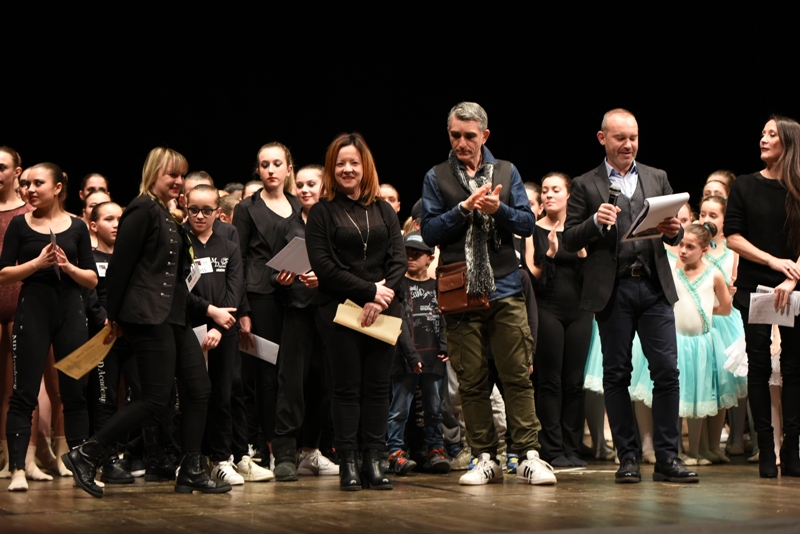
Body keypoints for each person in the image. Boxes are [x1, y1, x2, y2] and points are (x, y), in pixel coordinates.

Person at [62, 147, 232, 497]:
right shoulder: (142, 209)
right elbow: (120, 266)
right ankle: (86, 453)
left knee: (199, 389)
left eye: (182, 175)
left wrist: (203, 310)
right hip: (148, 315)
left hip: (173, 316)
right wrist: (114, 315)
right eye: (172, 174)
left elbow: (177, 279)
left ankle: (192, 468)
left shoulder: (167, 214)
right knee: (155, 398)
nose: (179, 181)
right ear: (154, 173)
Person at [420, 102, 556, 486]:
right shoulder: (436, 176)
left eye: (469, 136)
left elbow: (527, 223)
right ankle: (485, 457)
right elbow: (429, 232)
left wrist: (500, 210)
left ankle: (528, 455)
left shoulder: (507, 171)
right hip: (460, 291)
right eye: (455, 135)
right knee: (472, 380)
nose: (462, 143)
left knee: (517, 375)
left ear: (485, 135)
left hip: (505, 286)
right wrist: (462, 209)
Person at [562, 108, 697, 483]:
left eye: (633, 137)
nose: (628, 145)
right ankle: (628, 458)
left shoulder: (657, 176)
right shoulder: (585, 184)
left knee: (666, 372)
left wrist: (673, 231)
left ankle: (667, 458)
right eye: (620, 138)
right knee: (617, 374)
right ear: (602, 138)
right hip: (614, 290)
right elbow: (569, 238)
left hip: (653, 287)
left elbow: (675, 236)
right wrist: (594, 222)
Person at [306, 133, 406, 491]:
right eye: (340, 163)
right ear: (332, 169)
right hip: (339, 311)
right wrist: (369, 291)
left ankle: (374, 461)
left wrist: (380, 297)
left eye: (354, 162)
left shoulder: (383, 209)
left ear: (366, 167)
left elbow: (398, 259)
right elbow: (324, 266)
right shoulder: (322, 212)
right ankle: (348, 462)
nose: (347, 169)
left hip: (384, 310)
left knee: (378, 389)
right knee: (346, 389)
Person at [0, 162, 98, 492]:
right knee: (23, 393)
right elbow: (3, 274)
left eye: (37, 183)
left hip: (71, 313)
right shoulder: (19, 224)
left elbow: (92, 278)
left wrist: (68, 266)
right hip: (33, 312)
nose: (29, 189)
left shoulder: (77, 226)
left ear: (57, 188)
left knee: (74, 394)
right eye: (27, 183)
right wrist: (37, 263)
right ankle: (17, 469)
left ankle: (81, 468)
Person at [726, 115, 800, 478]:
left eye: (772, 134)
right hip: (755, 287)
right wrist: (773, 262)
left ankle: (793, 449)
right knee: (758, 367)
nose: (763, 139)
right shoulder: (744, 185)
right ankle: (767, 449)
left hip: (794, 289)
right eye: (763, 133)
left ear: (789, 142)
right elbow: (732, 237)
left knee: (794, 368)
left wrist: (793, 276)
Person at [233, 142, 301, 465]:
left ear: (289, 169)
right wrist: (243, 309)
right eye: (264, 164)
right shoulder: (246, 208)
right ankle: (267, 445)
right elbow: (238, 260)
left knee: (293, 373)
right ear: (258, 170)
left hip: (296, 295)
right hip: (260, 296)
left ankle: (292, 444)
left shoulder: (299, 205)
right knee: (266, 375)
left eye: (277, 163)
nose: (271, 170)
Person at [270, 165, 338, 481]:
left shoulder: (336, 222)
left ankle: (310, 450)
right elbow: (271, 272)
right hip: (297, 312)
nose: (305, 189)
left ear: (325, 186)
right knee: (291, 384)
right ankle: (285, 454)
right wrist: (281, 278)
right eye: (299, 184)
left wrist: (324, 278)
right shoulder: (287, 226)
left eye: (312, 184)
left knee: (324, 384)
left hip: (328, 312)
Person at [528, 173, 592, 467]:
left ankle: (572, 448)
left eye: (555, 190)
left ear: (569, 195)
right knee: (550, 381)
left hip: (579, 311)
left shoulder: (582, 230)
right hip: (548, 309)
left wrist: (581, 251)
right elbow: (531, 278)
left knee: (574, 382)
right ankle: (552, 449)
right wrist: (551, 254)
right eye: (545, 190)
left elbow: (594, 275)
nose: (549, 195)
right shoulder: (532, 230)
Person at [386, 231, 450, 475]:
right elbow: (399, 322)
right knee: (399, 409)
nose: (411, 257)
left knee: (435, 409)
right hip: (404, 358)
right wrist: (411, 355)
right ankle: (395, 451)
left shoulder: (438, 286)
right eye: (407, 253)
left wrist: (445, 345)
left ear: (430, 258)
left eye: (417, 253)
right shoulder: (398, 285)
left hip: (433, 358)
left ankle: (436, 449)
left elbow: (445, 318)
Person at [671, 222, 732, 464]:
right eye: (681, 245)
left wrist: (706, 312)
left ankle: (695, 451)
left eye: (690, 247)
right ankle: (675, 450)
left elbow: (726, 308)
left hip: (700, 345)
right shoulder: (675, 271)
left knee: (697, 397)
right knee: (676, 397)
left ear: (704, 250)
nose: (683, 251)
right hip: (677, 342)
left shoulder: (714, 274)